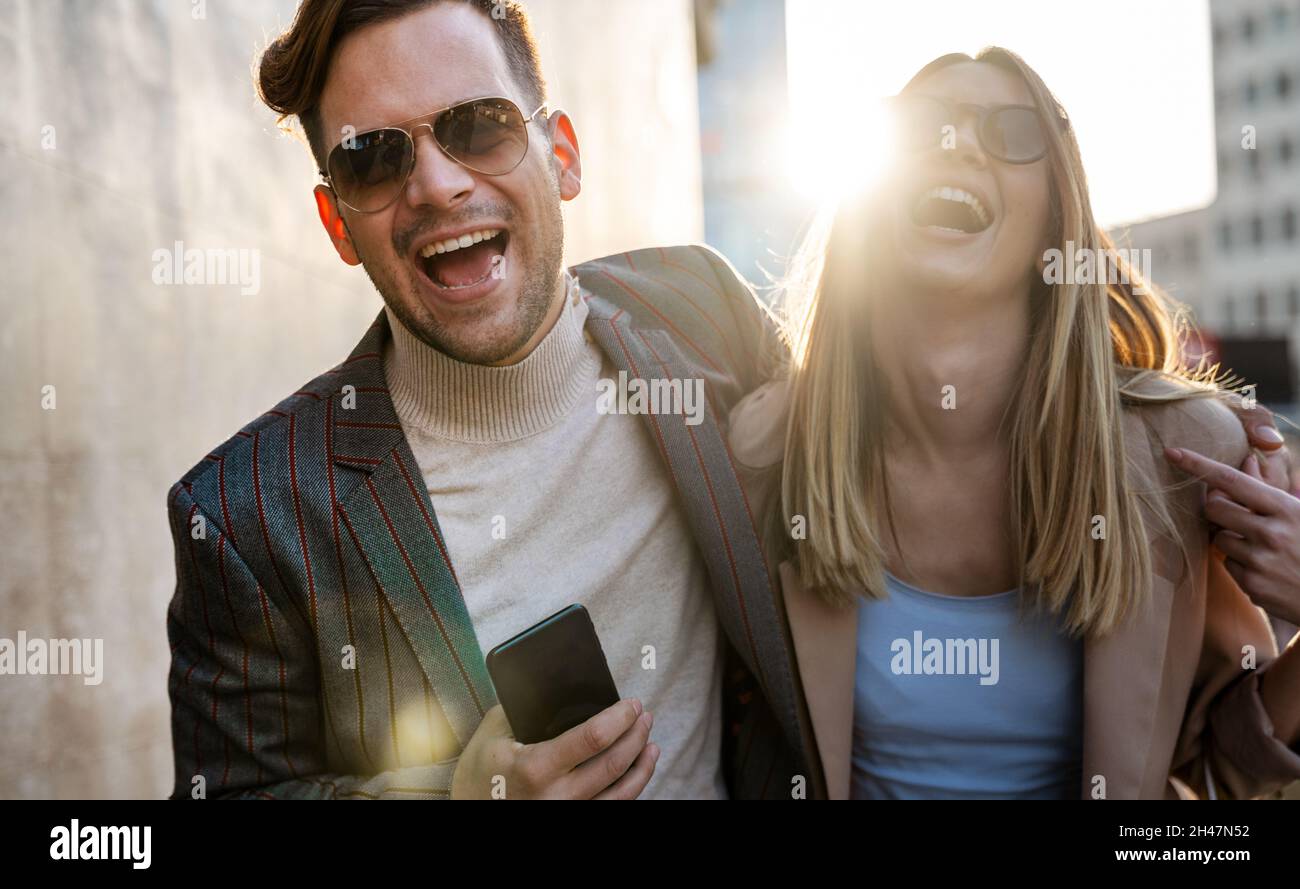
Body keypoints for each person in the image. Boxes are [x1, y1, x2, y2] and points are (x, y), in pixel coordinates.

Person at [165, 0, 804, 800]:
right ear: (337, 224)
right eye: (371, 158)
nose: (436, 184)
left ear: (563, 155)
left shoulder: (699, 312)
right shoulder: (243, 520)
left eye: (479, 124)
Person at [729, 47, 1300, 799]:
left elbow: (1224, 782)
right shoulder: (761, 454)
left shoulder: (1185, 458)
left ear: (1054, 221)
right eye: (923, 127)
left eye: (1011, 132)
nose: (957, 144)